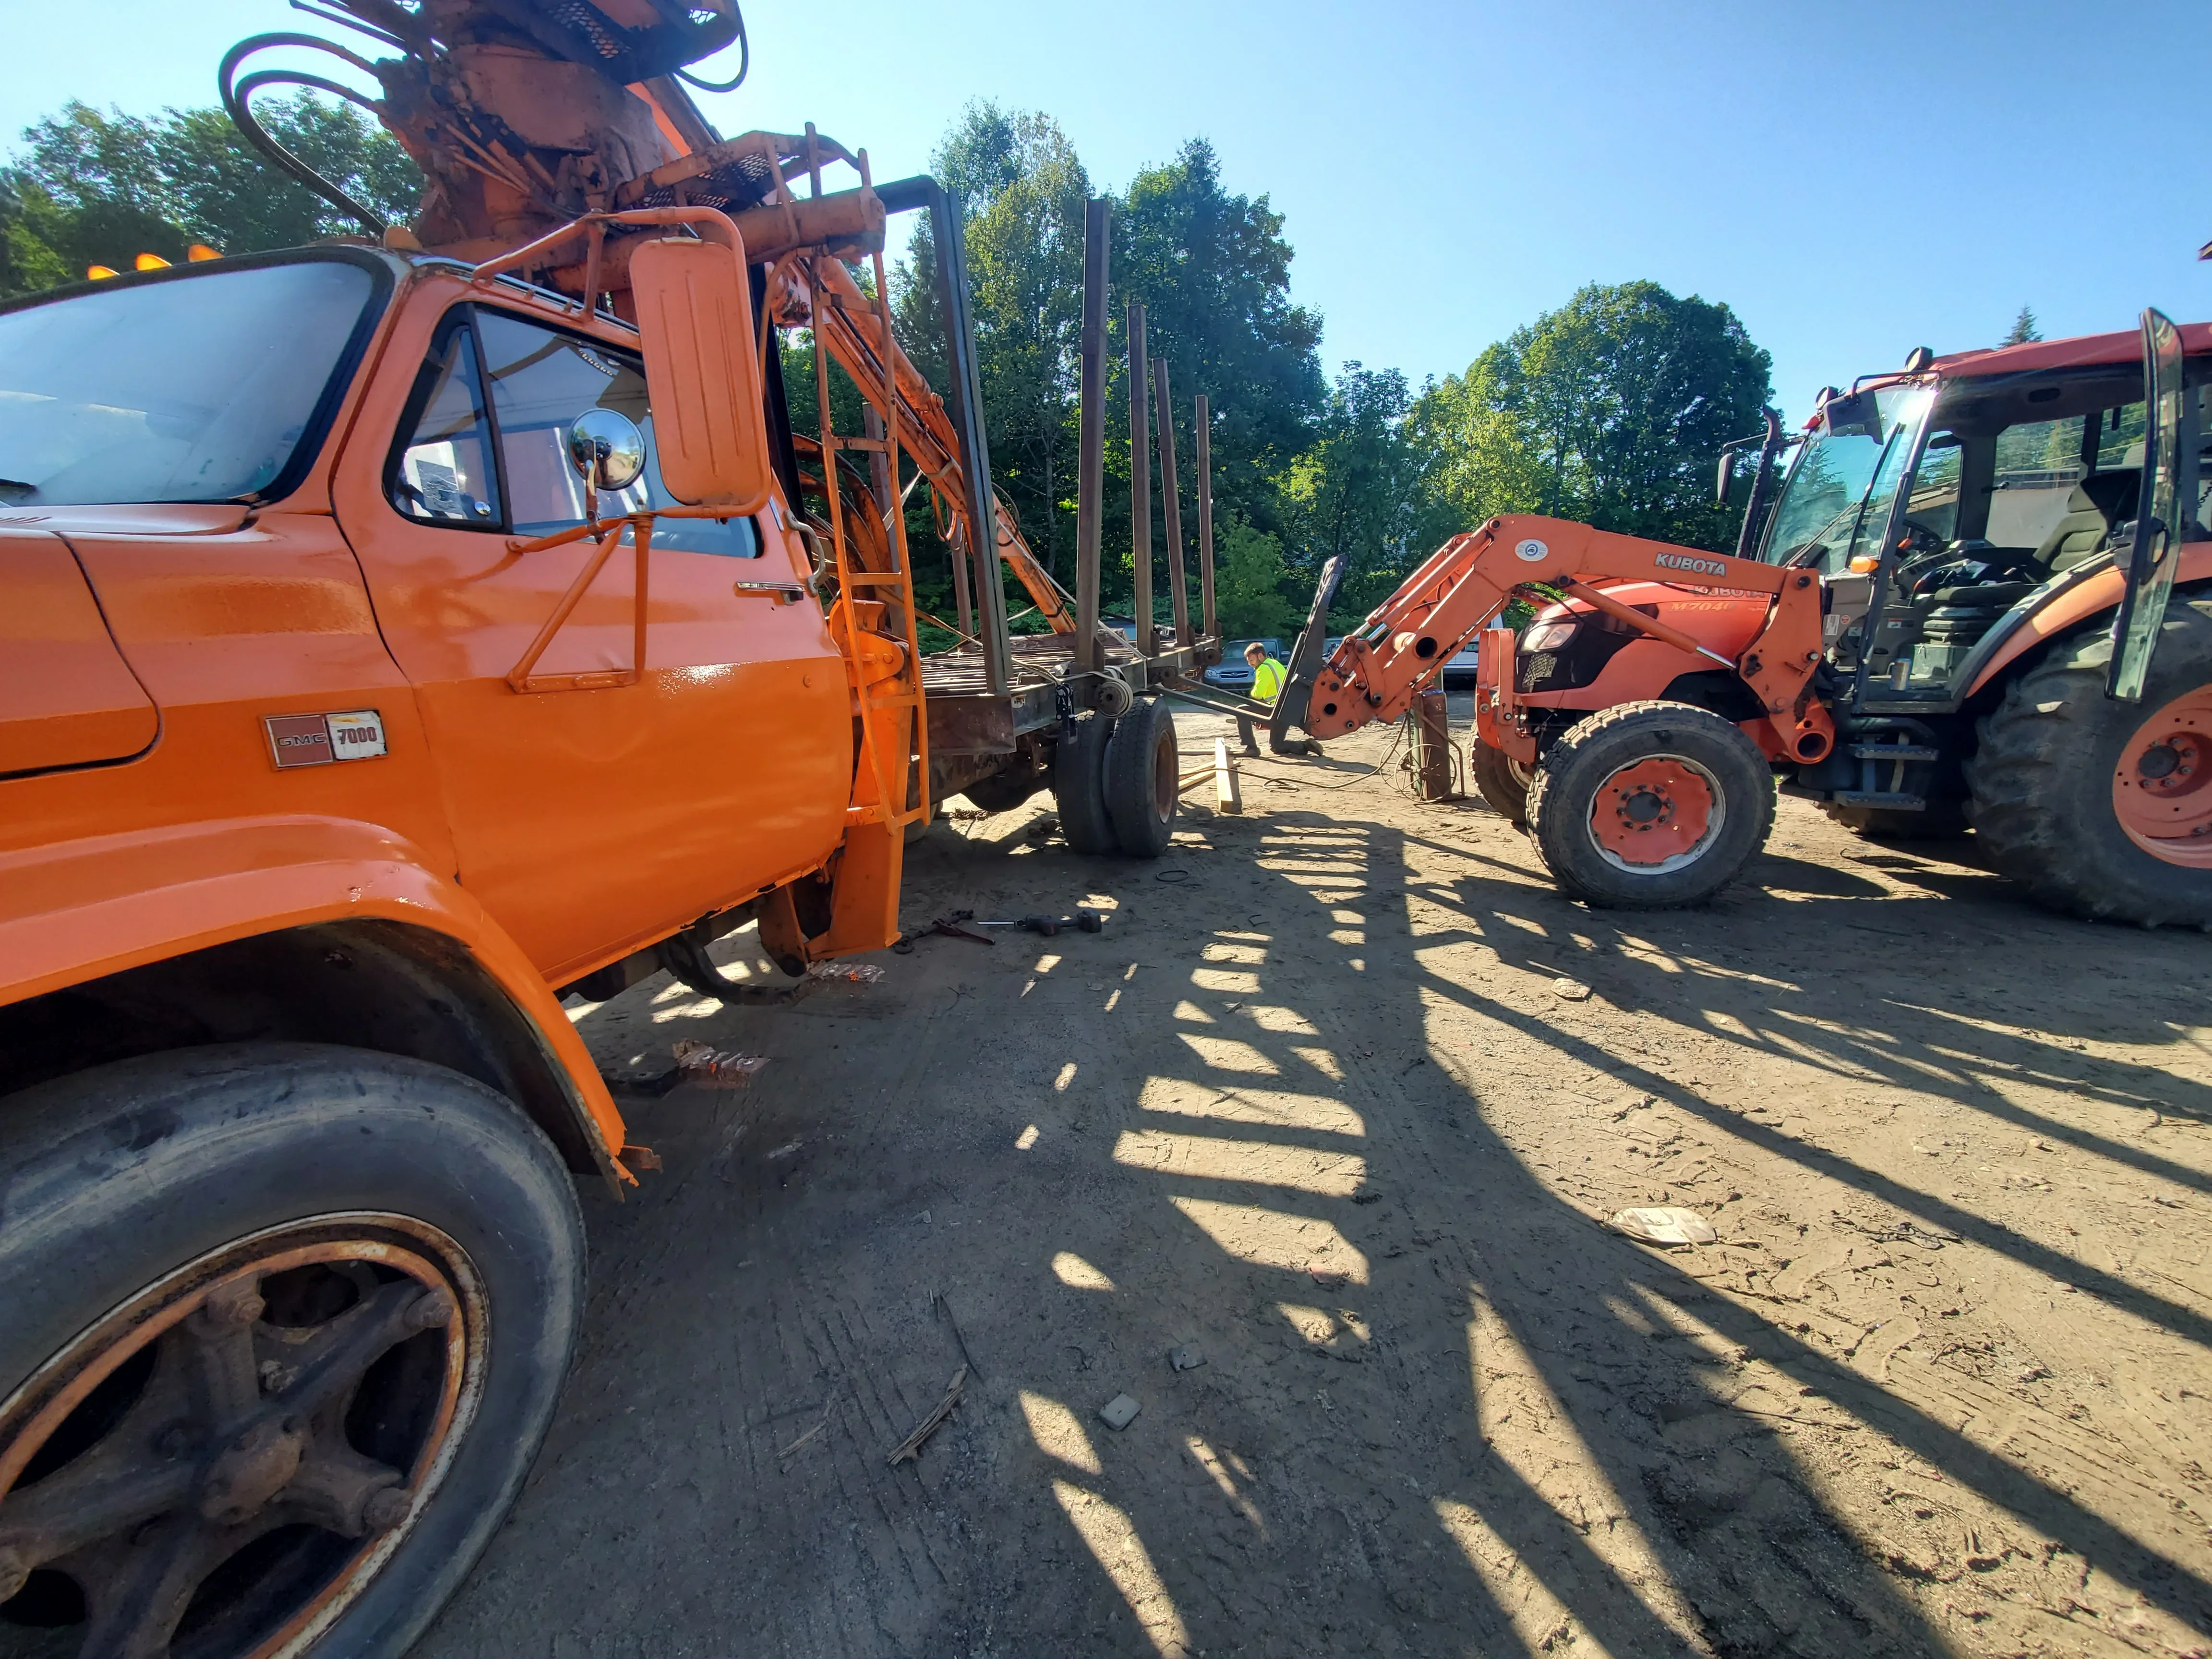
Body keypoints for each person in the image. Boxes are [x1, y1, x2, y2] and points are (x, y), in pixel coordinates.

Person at [1246, 640, 1287, 704]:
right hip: (1284, 703)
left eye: (1252, 660)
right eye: (1248, 661)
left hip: (1275, 705)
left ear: (1260, 656)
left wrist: (1251, 693)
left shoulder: (1263, 668)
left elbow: (1257, 695)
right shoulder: (1275, 663)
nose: (1250, 664)